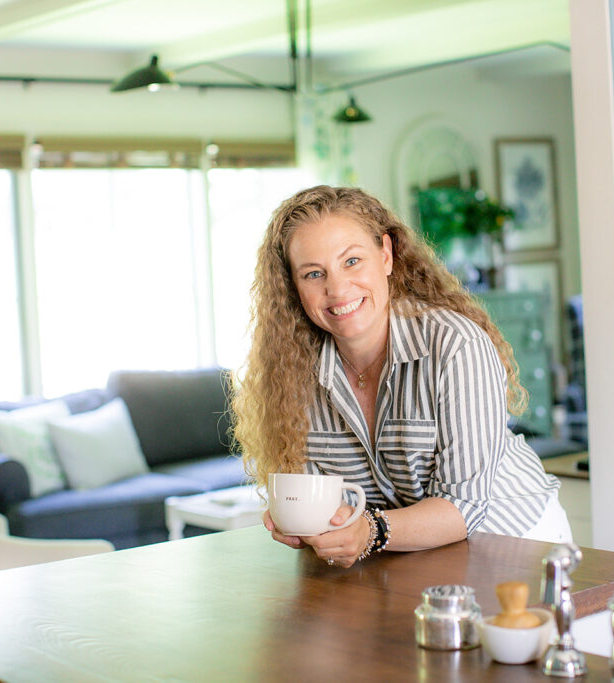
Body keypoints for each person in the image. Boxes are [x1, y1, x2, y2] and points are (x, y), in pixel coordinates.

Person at [232, 185, 570, 568]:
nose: (337, 288)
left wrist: (370, 531)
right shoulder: (294, 373)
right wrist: (312, 526)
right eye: (313, 273)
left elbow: (465, 507)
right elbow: (331, 503)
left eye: (352, 261)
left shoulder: (454, 345)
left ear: (386, 256)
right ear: (294, 287)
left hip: (517, 545)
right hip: (410, 558)